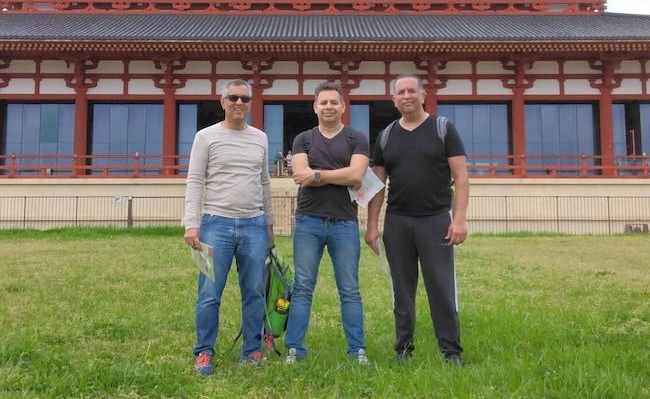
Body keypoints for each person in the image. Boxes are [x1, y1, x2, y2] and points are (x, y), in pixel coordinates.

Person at [365, 74, 469, 367]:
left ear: (423, 95)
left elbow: (461, 177)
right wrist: (372, 225)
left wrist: (458, 219)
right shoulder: (386, 136)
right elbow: (377, 185)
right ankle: (403, 349)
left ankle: (451, 352)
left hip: (436, 219)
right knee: (401, 289)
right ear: (394, 100)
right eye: (401, 92)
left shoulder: (442, 129)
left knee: (441, 287)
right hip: (398, 222)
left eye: (412, 90)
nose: (407, 95)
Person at [183, 78, 275, 376]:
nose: (239, 103)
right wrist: (191, 224)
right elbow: (195, 180)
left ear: (251, 102)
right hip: (215, 224)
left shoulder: (260, 138)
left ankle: (252, 350)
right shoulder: (206, 137)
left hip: (254, 225)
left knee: (253, 292)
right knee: (209, 292)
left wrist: (270, 225)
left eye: (245, 99)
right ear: (222, 102)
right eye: (233, 98)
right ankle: (204, 352)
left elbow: (264, 183)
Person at [284, 81, 371, 365]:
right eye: (323, 102)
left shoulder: (356, 138)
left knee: (349, 288)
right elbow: (300, 174)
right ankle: (294, 349)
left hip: (344, 223)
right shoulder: (303, 139)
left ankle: (357, 350)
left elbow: (357, 176)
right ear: (315, 107)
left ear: (343, 106)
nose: (329, 107)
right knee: (303, 287)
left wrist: (317, 175)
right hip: (308, 220)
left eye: (334, 102)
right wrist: (337, 173)